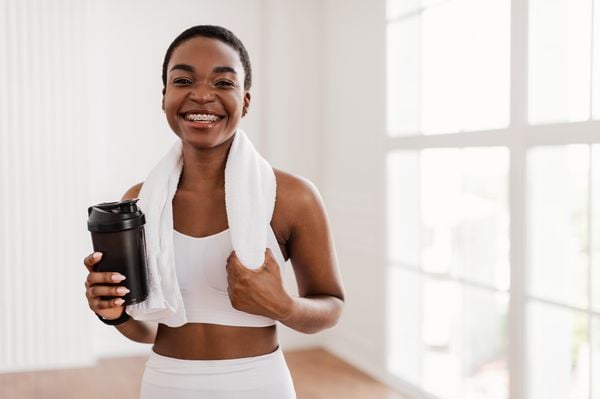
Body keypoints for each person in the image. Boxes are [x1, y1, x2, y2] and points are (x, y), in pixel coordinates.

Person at [82, 25, 344, 398]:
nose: (202, 95)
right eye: (184, 79)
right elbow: (146, 330)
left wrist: (282, 305)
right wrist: (114, 312)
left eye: (223, 83)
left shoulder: (293, 197)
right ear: (164, 96)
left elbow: (331, 306)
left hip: (259, 383)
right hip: (165, 383)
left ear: (246, 100)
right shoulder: (139, 203)